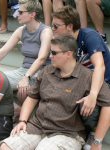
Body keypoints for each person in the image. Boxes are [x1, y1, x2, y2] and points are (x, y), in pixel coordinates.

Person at [0, 35, 110, 150]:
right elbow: (32, 98)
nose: (50, 56)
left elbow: (108, 105)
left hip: (67, 133)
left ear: (68, 54)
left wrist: (97, 141)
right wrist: (22, 120)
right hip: (37, 126)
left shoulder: (88, 76)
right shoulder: (47, 71)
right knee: (5, 147)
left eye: (54, 53)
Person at [52, 6, 110, 150]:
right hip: (83, 81)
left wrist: (93, 94)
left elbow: (99, 66)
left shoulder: (89, 36)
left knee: (88, 106)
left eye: (56, 26)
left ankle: (94, 134)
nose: (52, 29)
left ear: (70, 26)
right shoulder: (64, 41)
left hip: (105, 81)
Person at [0, 0, 52, 102]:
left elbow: (42, 59)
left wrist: (26, 77)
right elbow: (3, 51)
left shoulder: (45, 31)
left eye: (20, 12)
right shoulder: (21, 30)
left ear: (32, 14)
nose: (17, 15)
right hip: (23, 71)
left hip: (40, 73)